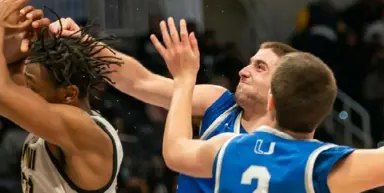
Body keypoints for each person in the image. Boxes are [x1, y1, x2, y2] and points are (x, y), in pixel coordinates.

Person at [160, 8, 384, 193]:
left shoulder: (229, 148)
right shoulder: (322, 167)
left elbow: (174, 151)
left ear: (271, 103)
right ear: (323, 113)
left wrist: (184, 79)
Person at [49, 17, 298, 193]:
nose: (244, 71)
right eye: (249, 63)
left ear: (281, 87)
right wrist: (85, 43)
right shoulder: (219, 102)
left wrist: (184, 77)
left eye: (260, 67)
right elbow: (140, 82)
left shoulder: (290, 152)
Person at [0, 0, 124, 193]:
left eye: (31, 86)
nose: (24, 92)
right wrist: (13, 42)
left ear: (69, 94)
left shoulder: (80, 127)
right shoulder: (59, 114)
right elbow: (1, 80)